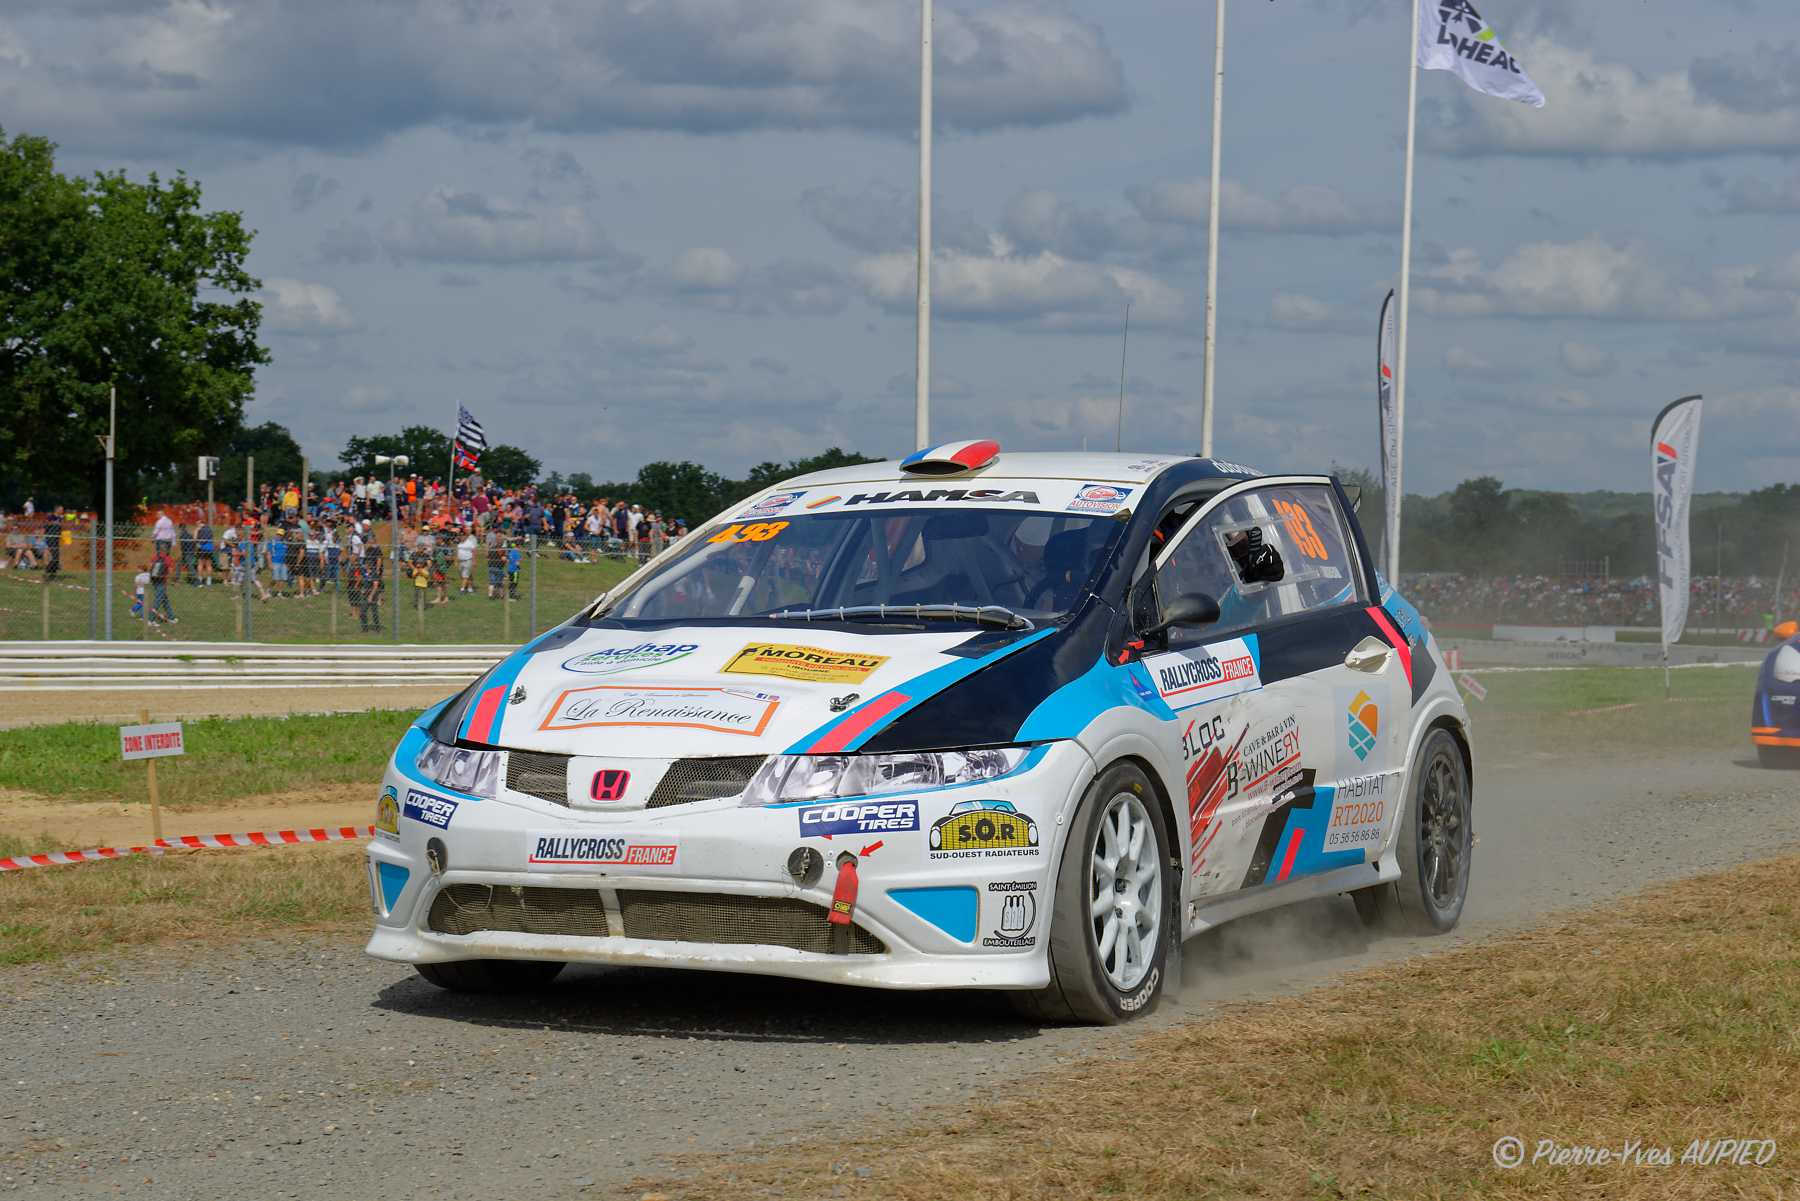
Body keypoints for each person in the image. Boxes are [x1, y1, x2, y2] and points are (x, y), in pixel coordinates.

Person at [148, 544, 176, 624]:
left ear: (159, 550)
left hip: (154, 581)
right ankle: (150, 619)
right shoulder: (168, 559)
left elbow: (150, 568)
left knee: (164, 599)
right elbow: (170, 571)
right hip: (162, 581)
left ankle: (171, 617)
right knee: (158, 600)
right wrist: (172, 581)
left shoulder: (155, 557)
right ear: (167, 550)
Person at [196, 515, 215, 586]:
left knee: (200, 564)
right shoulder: (209, 529)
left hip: (202, 548)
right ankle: (209, 581)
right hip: (209, 548)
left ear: (201, 523)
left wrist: (197, 530)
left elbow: (196, 539)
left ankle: (200, 580)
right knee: (209, 565)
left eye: (197, 523)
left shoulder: (200, 529)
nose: (197, 525)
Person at [457, 529, 477, 594]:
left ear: (466, 536)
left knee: (465, 575)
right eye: (460, 535)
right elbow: (457, 552)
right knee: (465, 575)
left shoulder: (469, 543)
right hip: (460, 561)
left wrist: (474, 561)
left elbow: (474, 551)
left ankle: (462, 589)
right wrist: (456, 560)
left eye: (463, 535)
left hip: (468, 560)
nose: (462, 537)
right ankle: (470, 588)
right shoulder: (459, 543)